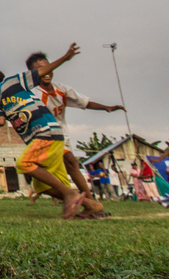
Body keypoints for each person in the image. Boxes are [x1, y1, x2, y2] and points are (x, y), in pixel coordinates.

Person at [0, 43, 104, 220]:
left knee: (25, 164)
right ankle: (92, 205)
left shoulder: (13, 82)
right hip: (40, 140)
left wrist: (65, 58)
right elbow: (0, 122)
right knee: (43, 186)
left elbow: (41, 72)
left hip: (47, 132)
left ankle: (70, 195)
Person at [25, 51, 125, 200]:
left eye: (48, 67)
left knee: (71, 163)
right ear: (32, 73)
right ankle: (73, 198)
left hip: (61, 135)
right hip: (44, 138)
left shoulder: (62, 90)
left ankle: (88, 200)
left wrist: (106, 107)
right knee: (58, 171)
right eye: (40, 69)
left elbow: (84, 102)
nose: (46, 72)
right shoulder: (32, 94)